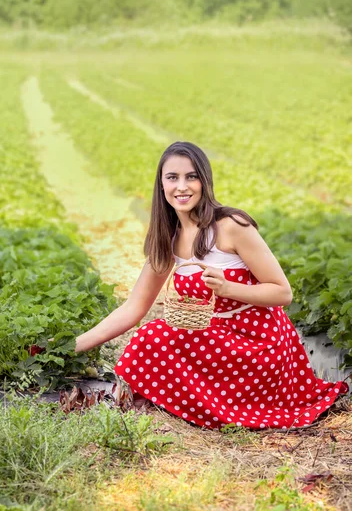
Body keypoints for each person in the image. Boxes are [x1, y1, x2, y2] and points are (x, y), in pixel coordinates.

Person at [75, 141, 348, 430]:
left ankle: (218, 405)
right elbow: (133, 308)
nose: (182, 186)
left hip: (260, 344)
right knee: (151, 337)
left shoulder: (231, 225)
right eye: (172, 177)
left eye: (191, 176)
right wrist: (73, 347)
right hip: (216, 340)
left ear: (204, 181)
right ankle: (193, 403)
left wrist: (229, 289)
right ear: (161, 185)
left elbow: (283, 292)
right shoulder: (169, 239)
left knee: (158, 336)